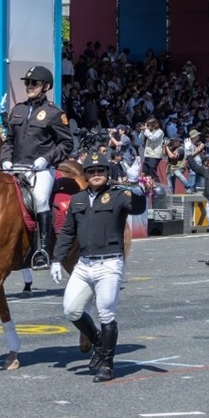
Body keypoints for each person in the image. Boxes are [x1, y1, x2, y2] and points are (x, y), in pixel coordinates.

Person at [50, 151, 145, 382]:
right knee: (71, 310)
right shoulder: (78, 199)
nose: (96, 174)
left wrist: (137, 188)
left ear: (107, 173)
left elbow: (138, 208)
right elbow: (68, 232)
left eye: (100, 170)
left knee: (106, 313)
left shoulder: (118, 195)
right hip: (84, 264)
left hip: (110, 262)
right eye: (91, 171)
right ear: (85, 174)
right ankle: (100, 343)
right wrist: (56, 259)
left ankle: (107, 364)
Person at [0, 65, 74, 270]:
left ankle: (41, 250)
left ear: (46, 86)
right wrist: (5, 159)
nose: (29, 86)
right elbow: (9, 140)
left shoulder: (54, 113)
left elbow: (67, 144)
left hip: (41, 169)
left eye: (34, 83)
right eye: (27, 83)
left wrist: (46, 159)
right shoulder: (18, 110)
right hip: (15, 167)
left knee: (41, 199)